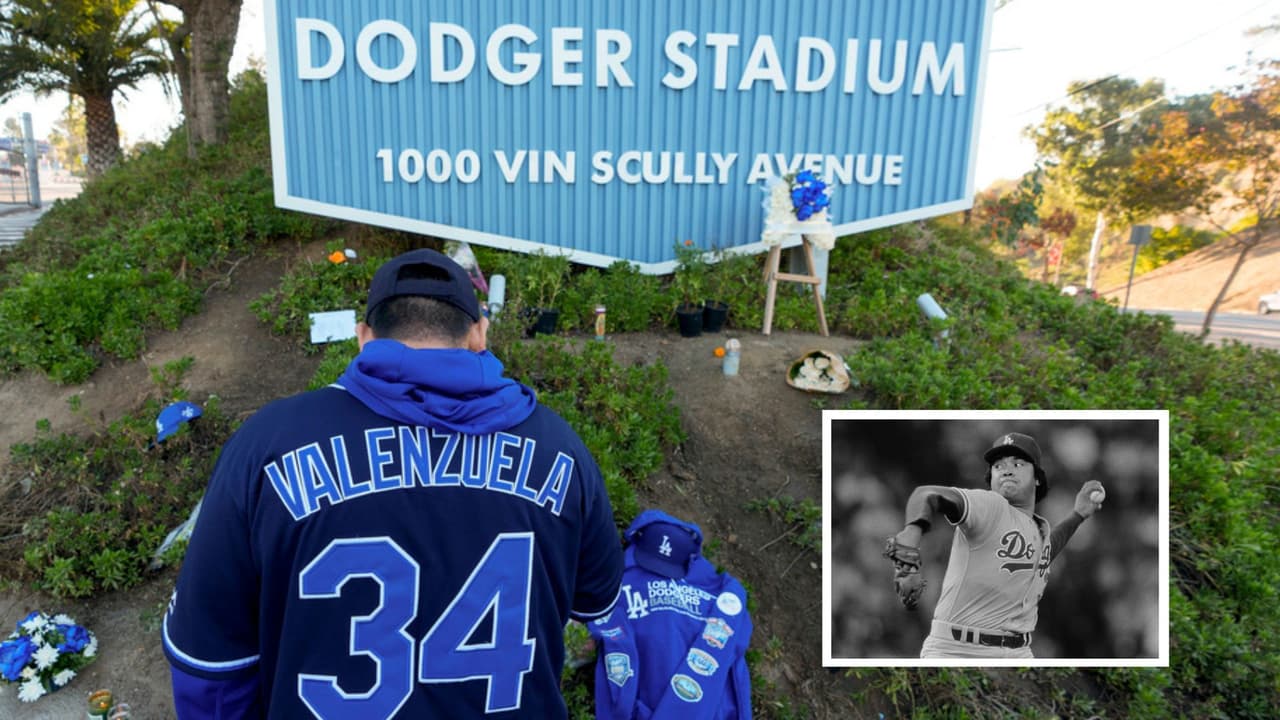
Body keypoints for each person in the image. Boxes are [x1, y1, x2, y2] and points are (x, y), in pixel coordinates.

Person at [163, 248, 624, 718]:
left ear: (364, 337)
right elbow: (598, 602)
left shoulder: (266, 445)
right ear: (480, 332)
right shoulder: (560, 449)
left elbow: (209, 665)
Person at [882, 432, 1105, 658]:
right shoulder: (991, 505)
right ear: (991, 479)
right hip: (958, 649)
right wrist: (911, 535)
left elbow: (1044, 552)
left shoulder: (1039, 528)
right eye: (998, 466)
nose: (1007, 470)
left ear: (1037, 478)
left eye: (1018, 464)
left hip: (1018, 652)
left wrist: (1078, 515)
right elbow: (927, 494)